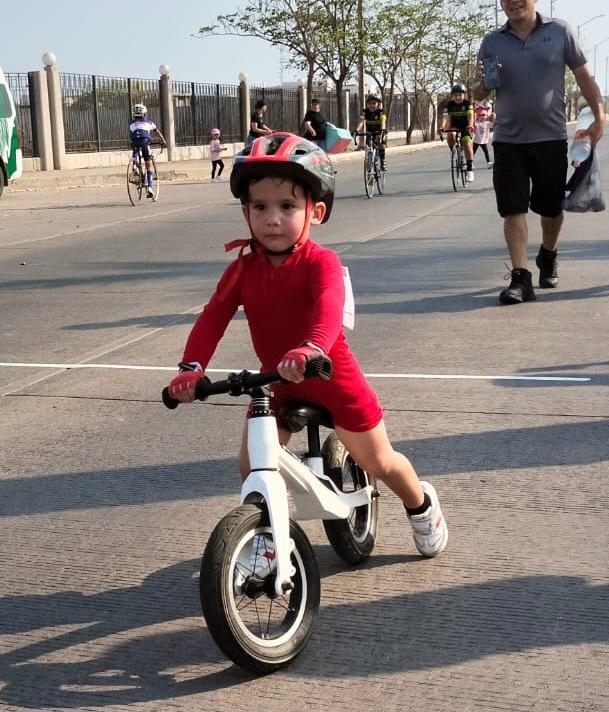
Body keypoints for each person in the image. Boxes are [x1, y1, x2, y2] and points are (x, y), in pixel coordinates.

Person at [166, 132, 448, 558]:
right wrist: (191, 368)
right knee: (252, 463)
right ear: (245, 212)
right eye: (260, 207)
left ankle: (421, 506)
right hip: (278, 381)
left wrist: (311, 348)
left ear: (315, 212)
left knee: (379, 461)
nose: (272, 219)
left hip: (330, 377)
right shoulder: (242, 270)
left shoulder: (322, 263)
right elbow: (212, 319)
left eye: (287, 206)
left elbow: (329, 310)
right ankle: (265, 537)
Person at [472, 0, 606, 304]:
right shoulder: (492, 41)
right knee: (512, 208)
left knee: (551, 208)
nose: (513, 2)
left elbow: (584, 76)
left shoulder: (560, 31)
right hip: (508, 139)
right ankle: (521, 277)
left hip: (550, 138)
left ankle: (548, 253)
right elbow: (479, 91)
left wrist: (599, 115)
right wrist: (480, 84)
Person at [128, 103, 167, 199]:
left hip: (134, 142)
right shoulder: (149, 122)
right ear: (144, 114)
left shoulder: (131, 123)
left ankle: (134, 164)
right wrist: (163, 140)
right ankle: (149, 188)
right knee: (148, 165)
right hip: (145, 142)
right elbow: (157, 131)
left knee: (135, 148)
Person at [440, 84, 475, 182]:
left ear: (464, 95)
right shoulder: (449, 105)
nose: (458, 97)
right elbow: (445, 117)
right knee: (451, 135)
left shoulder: (468, 104)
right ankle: (453, 150)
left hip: (466, 127)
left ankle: (470, 170)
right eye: (455, 95)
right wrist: (442, 126)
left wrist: (470, 125)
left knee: (467, 145)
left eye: (460, 95)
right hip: (454, 126)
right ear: (452, 96)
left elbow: (470, 116)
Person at [354, 95, 388, 171]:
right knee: (368, 147)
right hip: (369, 133)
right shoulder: (364, 112)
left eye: (374, 103)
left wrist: (382, 130)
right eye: (369, 103)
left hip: (380, 131)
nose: (371, 105)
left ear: (378, 104)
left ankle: (382, 160)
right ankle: (369, 163)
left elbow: (383, 122)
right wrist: (356, 131)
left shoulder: (381, 112)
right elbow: (361, 122)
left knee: (379, 140)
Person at [474, 99, 495, 168]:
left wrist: (493, 116)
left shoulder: (487, 123)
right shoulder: (476, 123)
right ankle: (470, 163)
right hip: (476, 141)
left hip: (483, 141)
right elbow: (472, 127)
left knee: (486, 152)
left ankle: (488, 162)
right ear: (478, 116)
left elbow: (494, 124)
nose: (482, 117)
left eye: (484, 115)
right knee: (473, 152)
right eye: (480, 115)